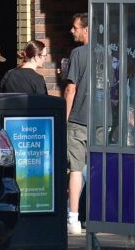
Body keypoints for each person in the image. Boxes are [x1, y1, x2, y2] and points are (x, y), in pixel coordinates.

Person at [62, 14, 92, 236]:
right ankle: (99, 215)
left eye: (75, 28)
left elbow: (71, 89)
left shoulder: (78, 54)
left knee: (75, 169)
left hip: (79, 119)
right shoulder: (110, 53)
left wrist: (65, 117)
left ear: (86, 29)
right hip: (102, 120)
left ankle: (73, 217)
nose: (72, 31)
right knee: (98, 167)